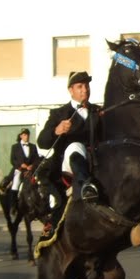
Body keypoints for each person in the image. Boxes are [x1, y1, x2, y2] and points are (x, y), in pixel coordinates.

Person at [37, 71, 102, 204]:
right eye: (80, 87)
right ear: (70, 90)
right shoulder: (59, 113)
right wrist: (56, 130)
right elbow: (42, 142)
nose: (85, 90)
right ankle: (87, 187)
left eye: (87, 86)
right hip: (68, 165)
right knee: (75, 147)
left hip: (97, 161)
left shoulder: (99, 111)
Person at [0, 128, 41, 216]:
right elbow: (12, 160)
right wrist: (21, 165)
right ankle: (13, 207)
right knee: (15, 185)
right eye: (25, 135)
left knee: (37, 185)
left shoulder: (33, 147)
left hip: (30, 171)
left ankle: (36, 207)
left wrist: (32, 166)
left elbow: (37, 159)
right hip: (19, 170)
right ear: (21, 136)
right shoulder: (15, 147)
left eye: (28, 135)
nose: (27, 137)